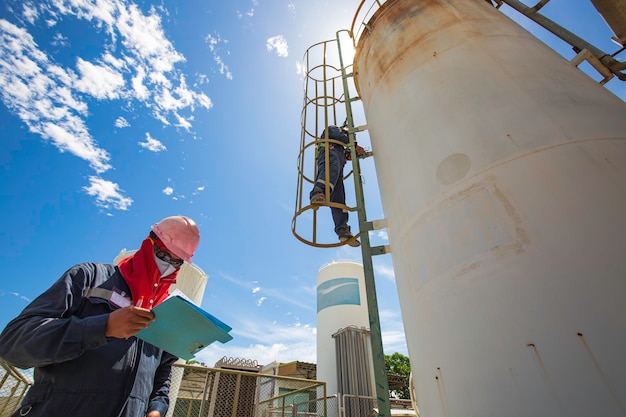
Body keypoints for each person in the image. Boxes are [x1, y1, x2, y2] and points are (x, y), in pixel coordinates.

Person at [0, 215, 201, 417]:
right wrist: (102, 327)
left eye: (177, 262)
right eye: (163, 255)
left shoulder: (166, 312)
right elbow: (12, 343)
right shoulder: (89, 277)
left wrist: (156, 409)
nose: (168, 265)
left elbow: (162, 374)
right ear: (148, 243)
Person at [310, 125, 365, 247]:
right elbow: (339, 137)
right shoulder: (333, 128)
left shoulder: (340, 146)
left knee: (339, 198)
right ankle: (317, 192)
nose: (347, 135)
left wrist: (348, 155)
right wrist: (354, 145)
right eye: (347, 133)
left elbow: (343, 149)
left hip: (337, 160)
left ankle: (343, 230)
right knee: (330, 172)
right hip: (330, 152)